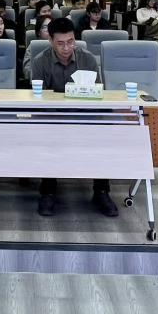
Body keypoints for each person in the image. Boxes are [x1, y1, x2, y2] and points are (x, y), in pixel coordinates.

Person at [28, 18, 116, 217]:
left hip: (84, 116)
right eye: (60, 43)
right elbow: (38, 100)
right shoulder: (40, 61)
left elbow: (97, 95)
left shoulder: (88, 59)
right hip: (53, 117)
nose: (67, 48)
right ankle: (48, 190)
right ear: (50, 41)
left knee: (104, 132)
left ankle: (101, 191)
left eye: (70, 42)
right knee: (46, 133)